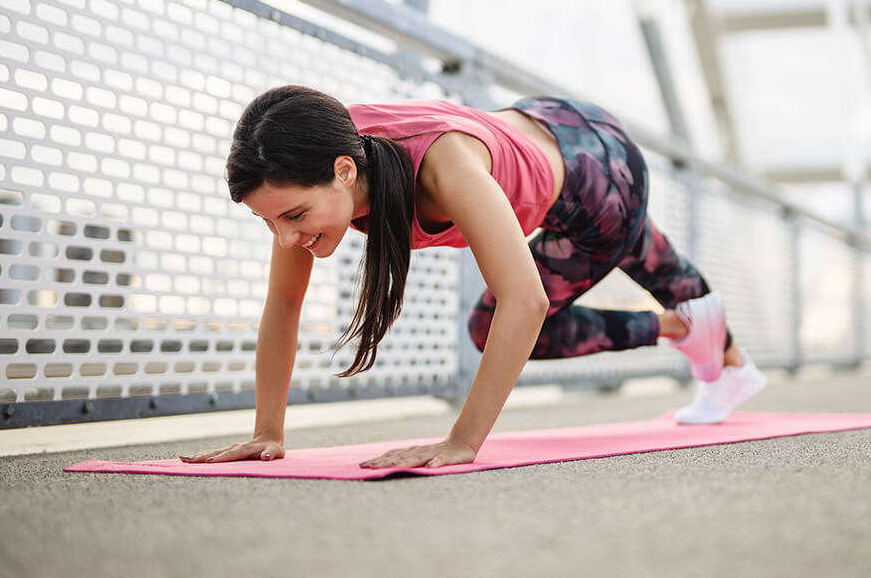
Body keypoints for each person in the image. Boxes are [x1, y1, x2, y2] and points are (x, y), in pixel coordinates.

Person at [181, 85, 766, 469]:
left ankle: (679, 331)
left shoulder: (444, 167)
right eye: (268, 223)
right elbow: (283, 306)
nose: (287, 239)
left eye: (293, 217)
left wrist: (462, 441)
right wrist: (267, 431)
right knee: (651, 259)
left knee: (495, 324)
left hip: (595, 177)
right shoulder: (318, 155)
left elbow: (526, 302)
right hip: (551, 126)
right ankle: (719, 352)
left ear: (343, 171)